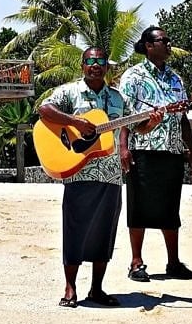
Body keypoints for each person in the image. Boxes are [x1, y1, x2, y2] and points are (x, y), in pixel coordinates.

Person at [37, 46, 127, 308]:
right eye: (90, 61)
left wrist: (152, 121)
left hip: (110, 174)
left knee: (105, 231)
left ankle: (97, 288)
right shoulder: (69, 92)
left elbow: (132, 126)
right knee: (75, 230)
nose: (95, 65)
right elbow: (45, 110)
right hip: (79, 172)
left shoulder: (118, 98)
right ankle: (70, 287)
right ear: (82, 65)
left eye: (100, 61)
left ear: (107, 67)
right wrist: (76, 123)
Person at [117, 26, 192, 282]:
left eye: (168, 40)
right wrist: (123, 147)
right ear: (149, 46)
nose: (168, 44)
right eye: (163, 40)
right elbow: (124, 117)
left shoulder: (176, 78)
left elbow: (183, 116)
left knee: (170, 208)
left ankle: (174, 262)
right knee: (138, 207)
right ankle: (136, 262)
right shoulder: (133, 77)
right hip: (142, 149)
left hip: (172, 150)